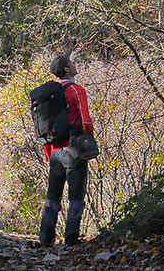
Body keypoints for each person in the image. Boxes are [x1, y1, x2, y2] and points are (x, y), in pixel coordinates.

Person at [39, 53, 94, 247]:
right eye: (71, 62)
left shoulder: (48, 94)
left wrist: (48, 151)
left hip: (54, 151)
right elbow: (86, 120)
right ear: (67, 69)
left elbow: (43, 126)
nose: (74, 64)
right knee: (76, 196)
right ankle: (71, 239)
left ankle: (45, 238)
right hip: (74, 149)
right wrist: (89, 141)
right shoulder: (76, 90)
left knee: (53, 195)